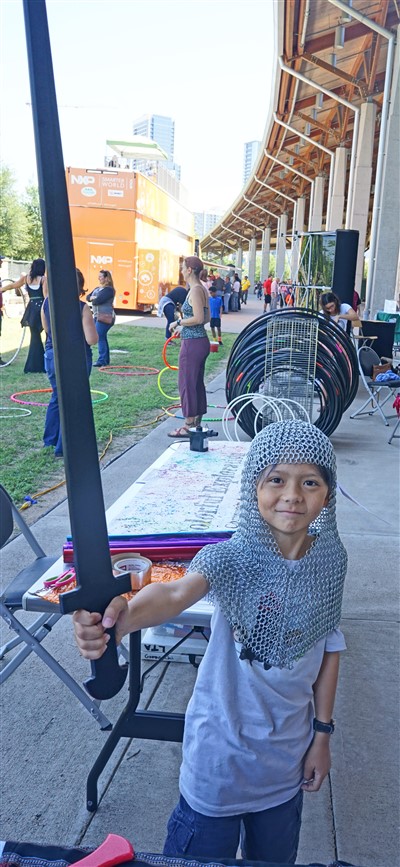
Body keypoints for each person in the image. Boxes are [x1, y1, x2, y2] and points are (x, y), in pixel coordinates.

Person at [73, 420, 347, 864]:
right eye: (276, 479)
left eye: (309, 482)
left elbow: (329, 648)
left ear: (327, 495)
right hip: (218, 766)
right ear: (252, 488)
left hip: (285, 766)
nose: (293, 495)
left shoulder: (330, 562)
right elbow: (177, 593)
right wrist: (121, 619)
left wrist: (323, 735)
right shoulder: (231, 557)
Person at [42, 269, 98, 457]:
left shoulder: (47, 303)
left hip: (52, 355)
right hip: (76, 358)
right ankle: (63, 446)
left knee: (57, 396)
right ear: (79, 287)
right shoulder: (82, 308)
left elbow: (47, 330)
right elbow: (91, 339)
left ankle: (50, 439)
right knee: (73, 400)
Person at [167, 255, 210, 438]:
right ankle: (196, 422)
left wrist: (179, 323)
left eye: (183, 268)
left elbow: (199, 319)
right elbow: (205, 319)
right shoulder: (201, 289)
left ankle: (188, 424)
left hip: (192, 345)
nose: (182, 271)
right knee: (195, 383)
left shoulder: (195, 290)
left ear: (190, 270)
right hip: (199, 341)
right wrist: (184, 329)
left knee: (186, 383)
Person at [3, 258, 47, 373]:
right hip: (41, 308)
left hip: (31, 309)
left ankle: (33, 366)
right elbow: (46, 297)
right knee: (48, 336)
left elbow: (13, 285)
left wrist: (2, 289)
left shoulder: (27, 278)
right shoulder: (43, 279)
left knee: (35, 338)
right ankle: (46, 364)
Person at [86, 270, 116, 366]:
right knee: (102, 337)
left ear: (106, 278)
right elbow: (87, 297)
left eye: (101, 276)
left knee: (99, 336)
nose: (99, 278)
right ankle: (105, 359)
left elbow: (96, 301)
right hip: (97, 316)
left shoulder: (109, 290)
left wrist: (93, 298)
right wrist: (92, 297)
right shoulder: (98, 289)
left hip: (106, 317)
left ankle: (102, 360)